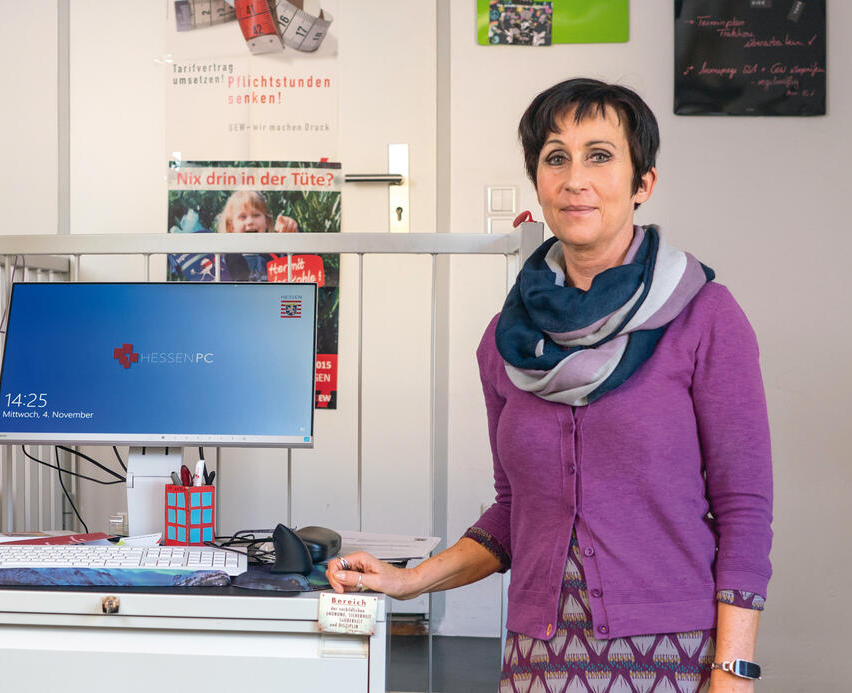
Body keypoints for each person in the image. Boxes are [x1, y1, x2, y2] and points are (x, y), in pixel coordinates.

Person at [327, 78, 772, 693]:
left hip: (674, 655)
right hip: (538, 656)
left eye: (600, 156)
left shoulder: (705, 317)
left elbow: (744, 509)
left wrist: (734, 670)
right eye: (556, 158)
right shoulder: (507, 340)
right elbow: (516, 510)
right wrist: (409, 581)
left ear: (643, 183)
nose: (574, 179)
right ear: (538, 183)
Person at [215, 189, 296, 281]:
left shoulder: (275, 253)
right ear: (231, 226)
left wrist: (291, 234)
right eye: (243, 217)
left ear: (267, 221)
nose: (250, 221)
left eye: (256, 215)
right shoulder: (224, 258)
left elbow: (299, 265)